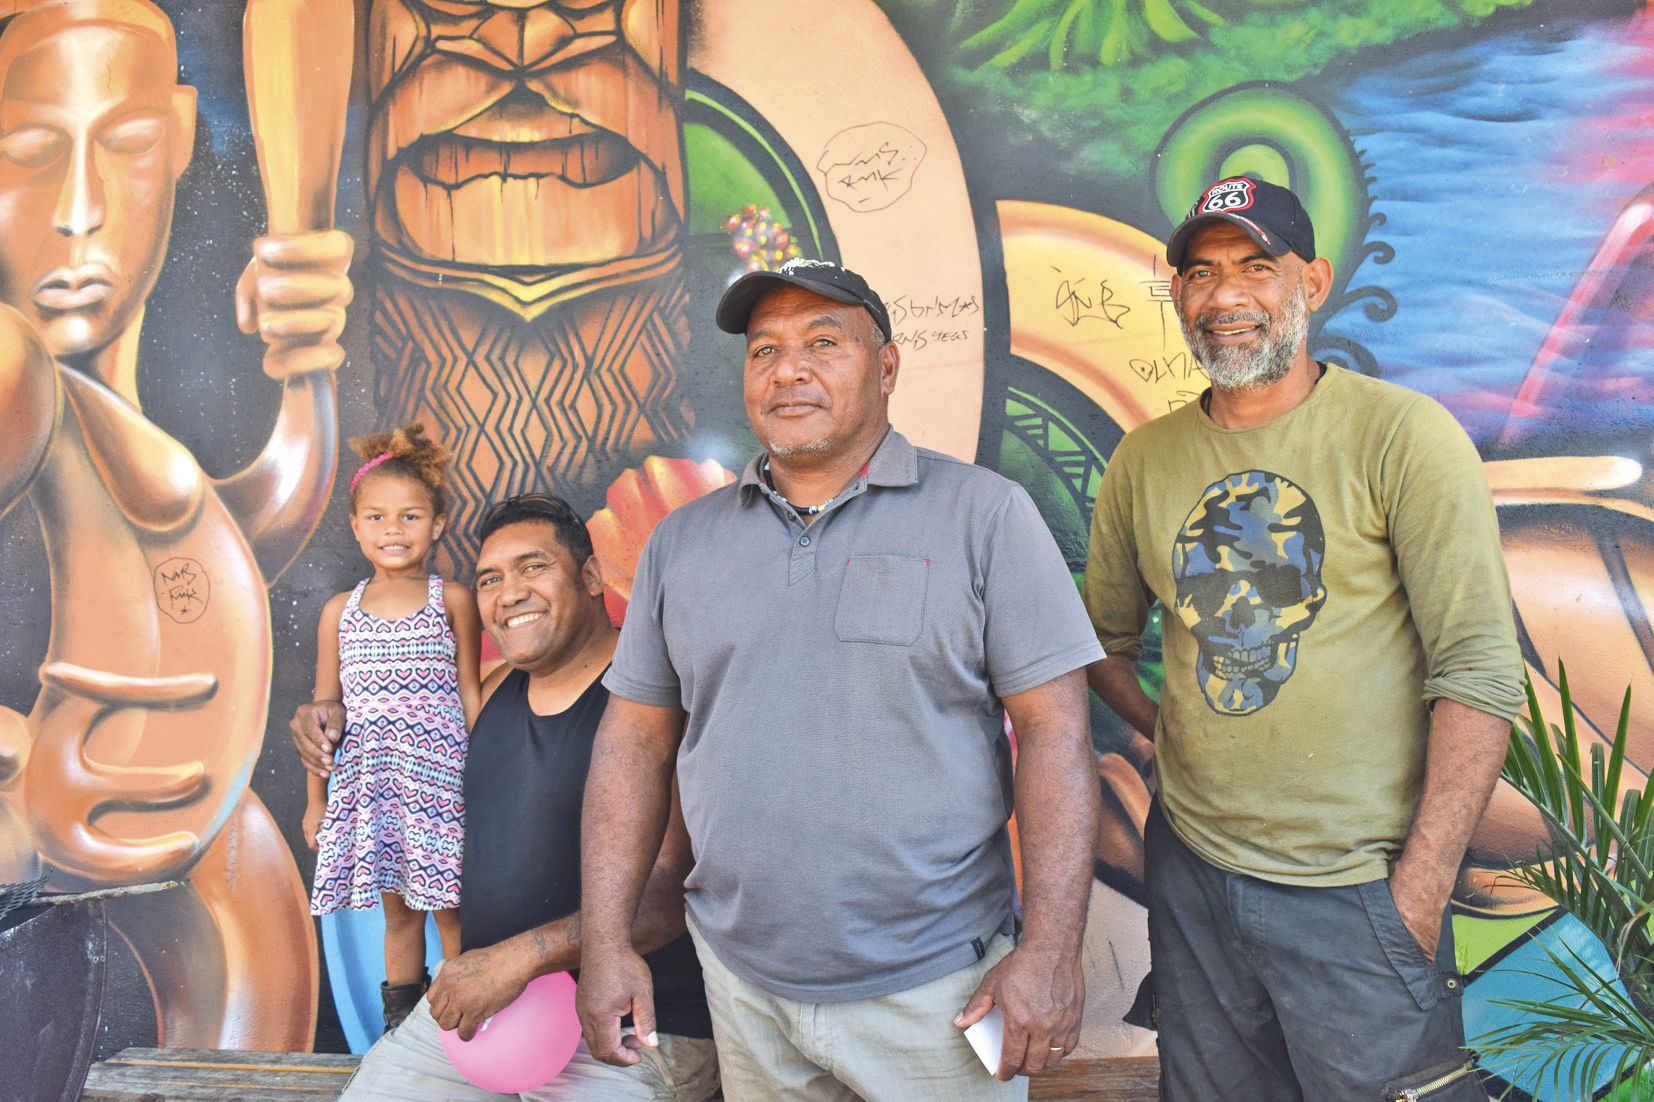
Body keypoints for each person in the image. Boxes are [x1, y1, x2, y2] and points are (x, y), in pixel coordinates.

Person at [576, 258, 1104, 1101]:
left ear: (886, 366)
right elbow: (633, 742)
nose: (789, 370)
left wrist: (1049, 949)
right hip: (743, 985)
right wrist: (606, 942)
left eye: (825, 342)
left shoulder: (984, 515)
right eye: (765, 350)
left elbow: (1056, 734)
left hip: (938, 991)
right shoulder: (682, 544)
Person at [1081, 176, 1525, 1100]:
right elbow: (1102, 643)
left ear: (1312, 283)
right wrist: (1177, 733)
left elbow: (1478, 676)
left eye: (1256, 266)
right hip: (1195, 873)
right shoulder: (1145, 460)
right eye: (1200, 273)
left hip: (1357, 890)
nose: (1225, 296)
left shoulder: (1403, 437)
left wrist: (1419, 891)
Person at [292, 493, 718, 1100]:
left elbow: (669, 891)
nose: (508, 593)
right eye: (490, 578)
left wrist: (520, 958)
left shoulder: (651, 696)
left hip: (632, 1025)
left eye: (533, 567)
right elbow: (382, 722)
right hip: (484, 1014)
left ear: (593, 577)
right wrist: (323, 715)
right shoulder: (488, 692)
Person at [306, 423, 482, 1031]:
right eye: (377, 518)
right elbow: (324, 718)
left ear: (437, 525)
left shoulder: (451, 599)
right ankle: (400, 1035)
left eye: (410, 517)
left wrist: (487, 780)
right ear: (355, 527)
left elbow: (471, 695)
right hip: (375, 790)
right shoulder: (340, 612)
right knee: (400, 916)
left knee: (454, 913)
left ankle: (466, 1026)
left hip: (441, 787)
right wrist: (315, 805)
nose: (393, 530)